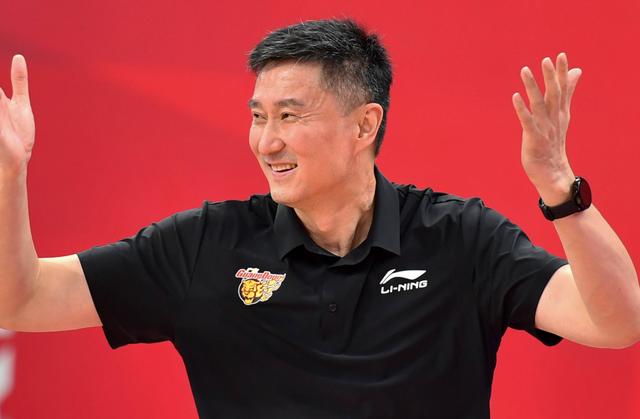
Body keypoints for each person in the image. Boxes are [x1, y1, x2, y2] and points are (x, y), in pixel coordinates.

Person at [0, 18, 638, 419]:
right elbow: (21, 300)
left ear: (365, 125)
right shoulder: (206, 244)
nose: (266, 141)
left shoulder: (460, 238)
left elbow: (616, 322)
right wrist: (9, 178)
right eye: (258, 116)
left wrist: (559, 187)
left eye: (290, 115)